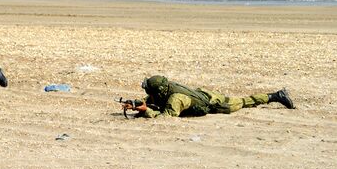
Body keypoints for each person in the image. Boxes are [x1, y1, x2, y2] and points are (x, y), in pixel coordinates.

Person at [124, 75, 294, 118]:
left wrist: (146, 111)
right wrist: (137, 103)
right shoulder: (167, 88)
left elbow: (168, 115)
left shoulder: (175, 98)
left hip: (216, 104)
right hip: (207, 95)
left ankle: (275, 96)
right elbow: (154, 101)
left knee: (243, 102)